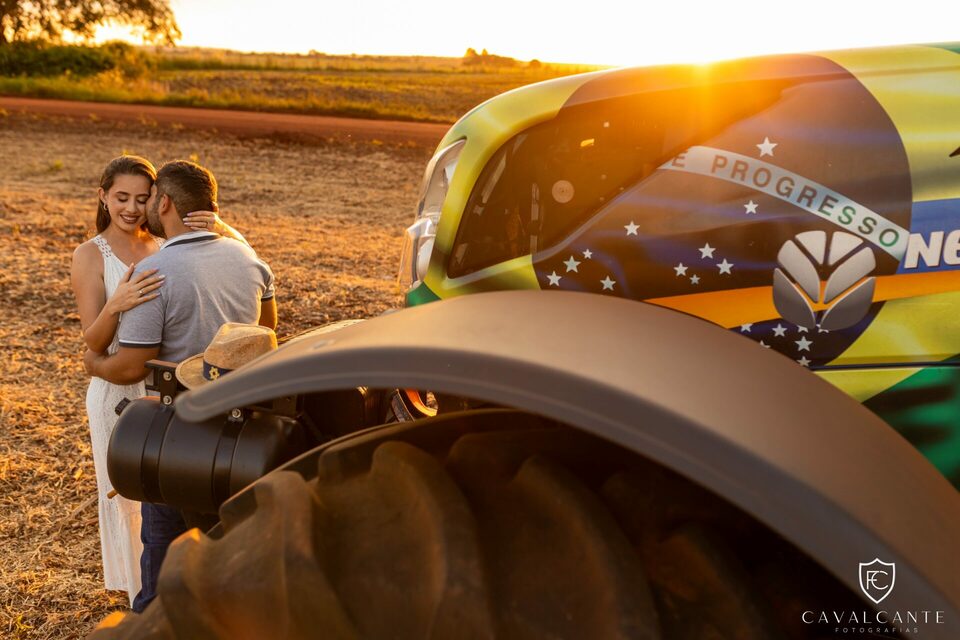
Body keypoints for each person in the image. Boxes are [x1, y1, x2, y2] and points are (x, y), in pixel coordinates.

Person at [83, 160, 277, 613]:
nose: (141, 207)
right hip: (239, 434)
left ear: (164, 203)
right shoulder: (247, 258)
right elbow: (264, 336)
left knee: (160, 566)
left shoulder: (156, 271)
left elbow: (131, 368)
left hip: (175, 435)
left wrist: (96, 363)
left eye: (149, 198)